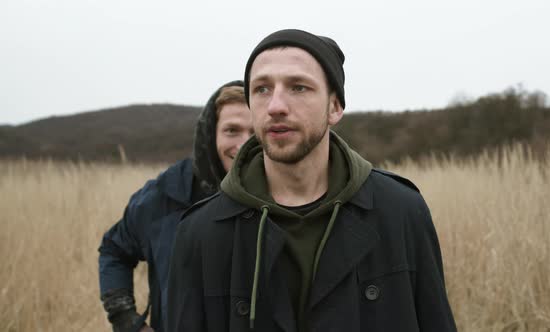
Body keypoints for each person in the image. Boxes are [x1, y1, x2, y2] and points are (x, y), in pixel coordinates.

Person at [167, 29, 456, 332]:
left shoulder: (400, 211)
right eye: (262, 89)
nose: (276, 105)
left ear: (335, 107)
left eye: (299, 87)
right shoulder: (201, 233)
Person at [98, 81, 253, 332]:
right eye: (232, 130)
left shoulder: (282, 197)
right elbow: (114, 250)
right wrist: (125, 320)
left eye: (255, 133)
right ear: (210, 134)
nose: (244, 144)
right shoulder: (164, 195)